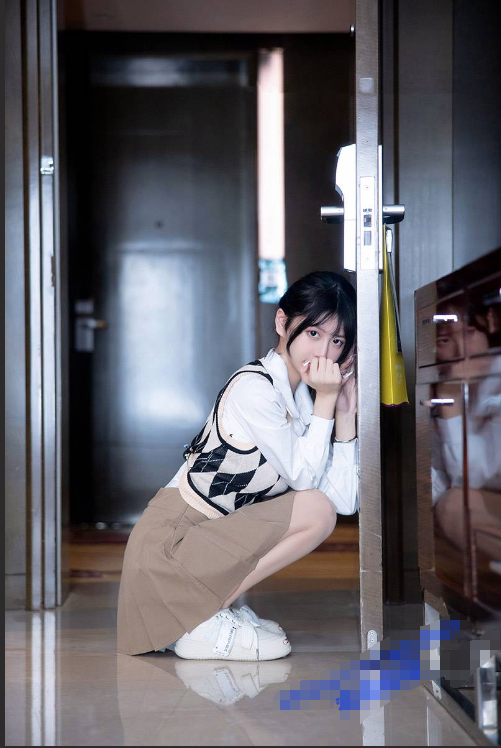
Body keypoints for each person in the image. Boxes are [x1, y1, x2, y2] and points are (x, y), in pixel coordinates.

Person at [117, 270, 359, 661]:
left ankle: (207, 609)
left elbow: (343, 502)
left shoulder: (300, 399)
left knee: (319, 509)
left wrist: (344, 413)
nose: (323, 352)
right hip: (170, 545)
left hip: (206, 541)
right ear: (282, 322)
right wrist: (327, 402)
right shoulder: (254, 388)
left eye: (337, 341)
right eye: (313, 333)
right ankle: (202, 614)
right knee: (314, 507)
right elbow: (306, 481)